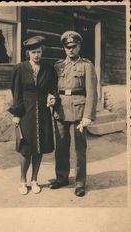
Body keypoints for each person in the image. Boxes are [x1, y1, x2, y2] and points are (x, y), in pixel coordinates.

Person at [50, 31, 97, 197]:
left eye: (73, 46)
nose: (70, 50)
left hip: (79, 112)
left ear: (79, 46)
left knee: (79, 150)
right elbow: (53, 89)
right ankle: (62, 178)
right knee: (61, 148)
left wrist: (88, 116)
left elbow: (91, 93)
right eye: (66, 47)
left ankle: (79, 183)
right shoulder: (58, 66)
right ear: (64, 48)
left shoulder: (87, 66)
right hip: (61, 110)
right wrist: (51, 97)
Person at [9, 36, 57, 195]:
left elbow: (53, 88)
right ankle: (23, 181)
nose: (37, 55)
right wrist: (16, 114)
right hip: (26, 112)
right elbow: (16, 92)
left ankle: (34, 180)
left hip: (43, 112)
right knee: (26, 148)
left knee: (39, 147)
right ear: (28, 53)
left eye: (39, 52)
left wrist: (52, 96)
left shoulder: (48, 69)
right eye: (33, 52)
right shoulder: (20, 68)